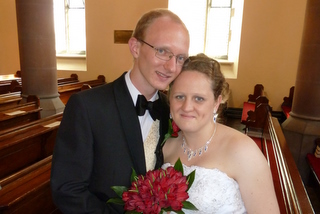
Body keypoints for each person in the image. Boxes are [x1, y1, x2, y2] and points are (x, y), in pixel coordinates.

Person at [50, 8, 190, 213]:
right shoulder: (88, 107)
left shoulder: (172, 111)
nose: (171, 67)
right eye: (162, 51)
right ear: (135, 47)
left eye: (180, 58)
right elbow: (67, 189)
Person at [162, 54, 280, 213]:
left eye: (199, 98)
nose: (187, 106)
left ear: (216, 103)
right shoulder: (167, 145)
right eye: (179, 96)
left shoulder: (243, 151)